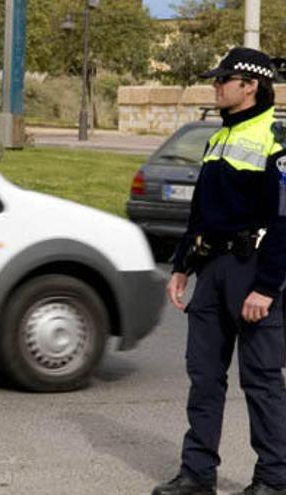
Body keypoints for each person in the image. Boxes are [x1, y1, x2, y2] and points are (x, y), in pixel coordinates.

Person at [154, 47, 286, 495]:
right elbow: (202, 212)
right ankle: (197, 474)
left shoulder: (276, 137)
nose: (216, 85)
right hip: (211, 270)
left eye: (223, 80)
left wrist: (267, 287)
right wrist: (181, 266)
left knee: (262, 379)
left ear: (250, 85)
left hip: (253, 271)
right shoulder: (218, 138)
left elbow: (285, 221)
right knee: (204, 378)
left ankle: (274, 477)